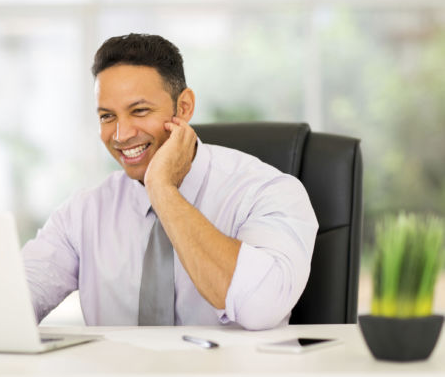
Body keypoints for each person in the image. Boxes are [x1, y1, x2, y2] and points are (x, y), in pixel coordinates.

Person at [21, 33, 318, 330]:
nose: (121, 134)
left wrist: (162, 190)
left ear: (185, 107)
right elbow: (12, 301)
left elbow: (259, 308)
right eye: (107, 116)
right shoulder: (83, 213)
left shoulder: (267, 192)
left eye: (139, 111)